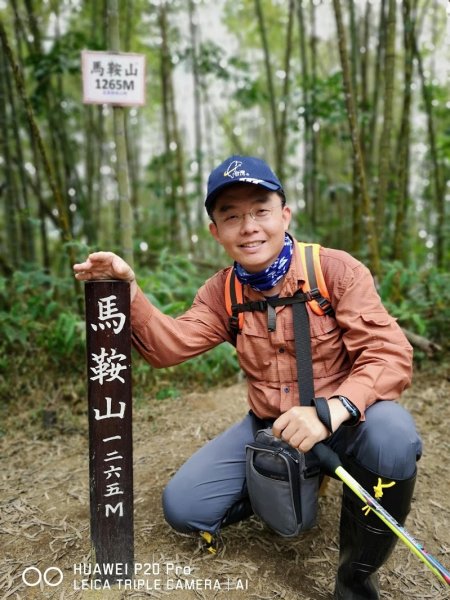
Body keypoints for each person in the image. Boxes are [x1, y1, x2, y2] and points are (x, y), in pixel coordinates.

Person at [74, 155, 422, 599]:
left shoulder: (334, 271)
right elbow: (168, 346)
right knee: (185, 508)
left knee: (393, 438)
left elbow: (388, 354)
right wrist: (129, 291)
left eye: (261, 210)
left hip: (346, 421)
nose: (249, 226)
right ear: (215, 232)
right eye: (231, 216)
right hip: (270, 427)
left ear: (285, 214)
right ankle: (290, 477)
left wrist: (333, 410)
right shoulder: (223, 292)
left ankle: (355, 578)